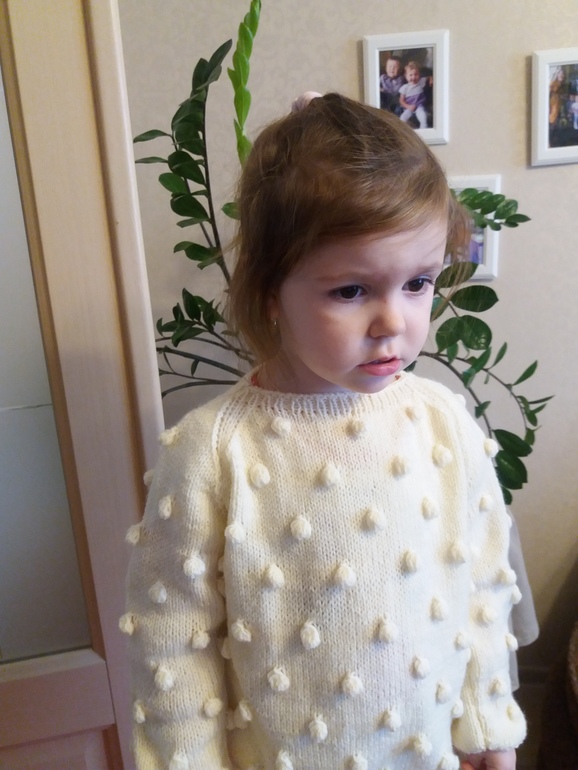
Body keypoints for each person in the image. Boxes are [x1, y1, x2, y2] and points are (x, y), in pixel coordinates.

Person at [122, 92, 527, 770]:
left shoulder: (442, 420)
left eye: (419, 283)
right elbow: (172, 636)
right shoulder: (213, 450)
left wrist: (487, 721)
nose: (393, 322)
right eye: (351, 291)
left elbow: (481, 578)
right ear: (270, 292)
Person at [399, 60, 431, 129]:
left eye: (416, 74)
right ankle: (403, 130)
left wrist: (431, 78)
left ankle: (423, 130)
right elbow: (401, 101)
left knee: (423, 117)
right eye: (410, 75)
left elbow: (429, 77)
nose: (413, 77)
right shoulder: (405, 87)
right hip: (409, 107)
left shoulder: (421, 82)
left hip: (419, 106)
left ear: (419, 75)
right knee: (402, 118)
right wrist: (408, 106)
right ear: (406, 76)